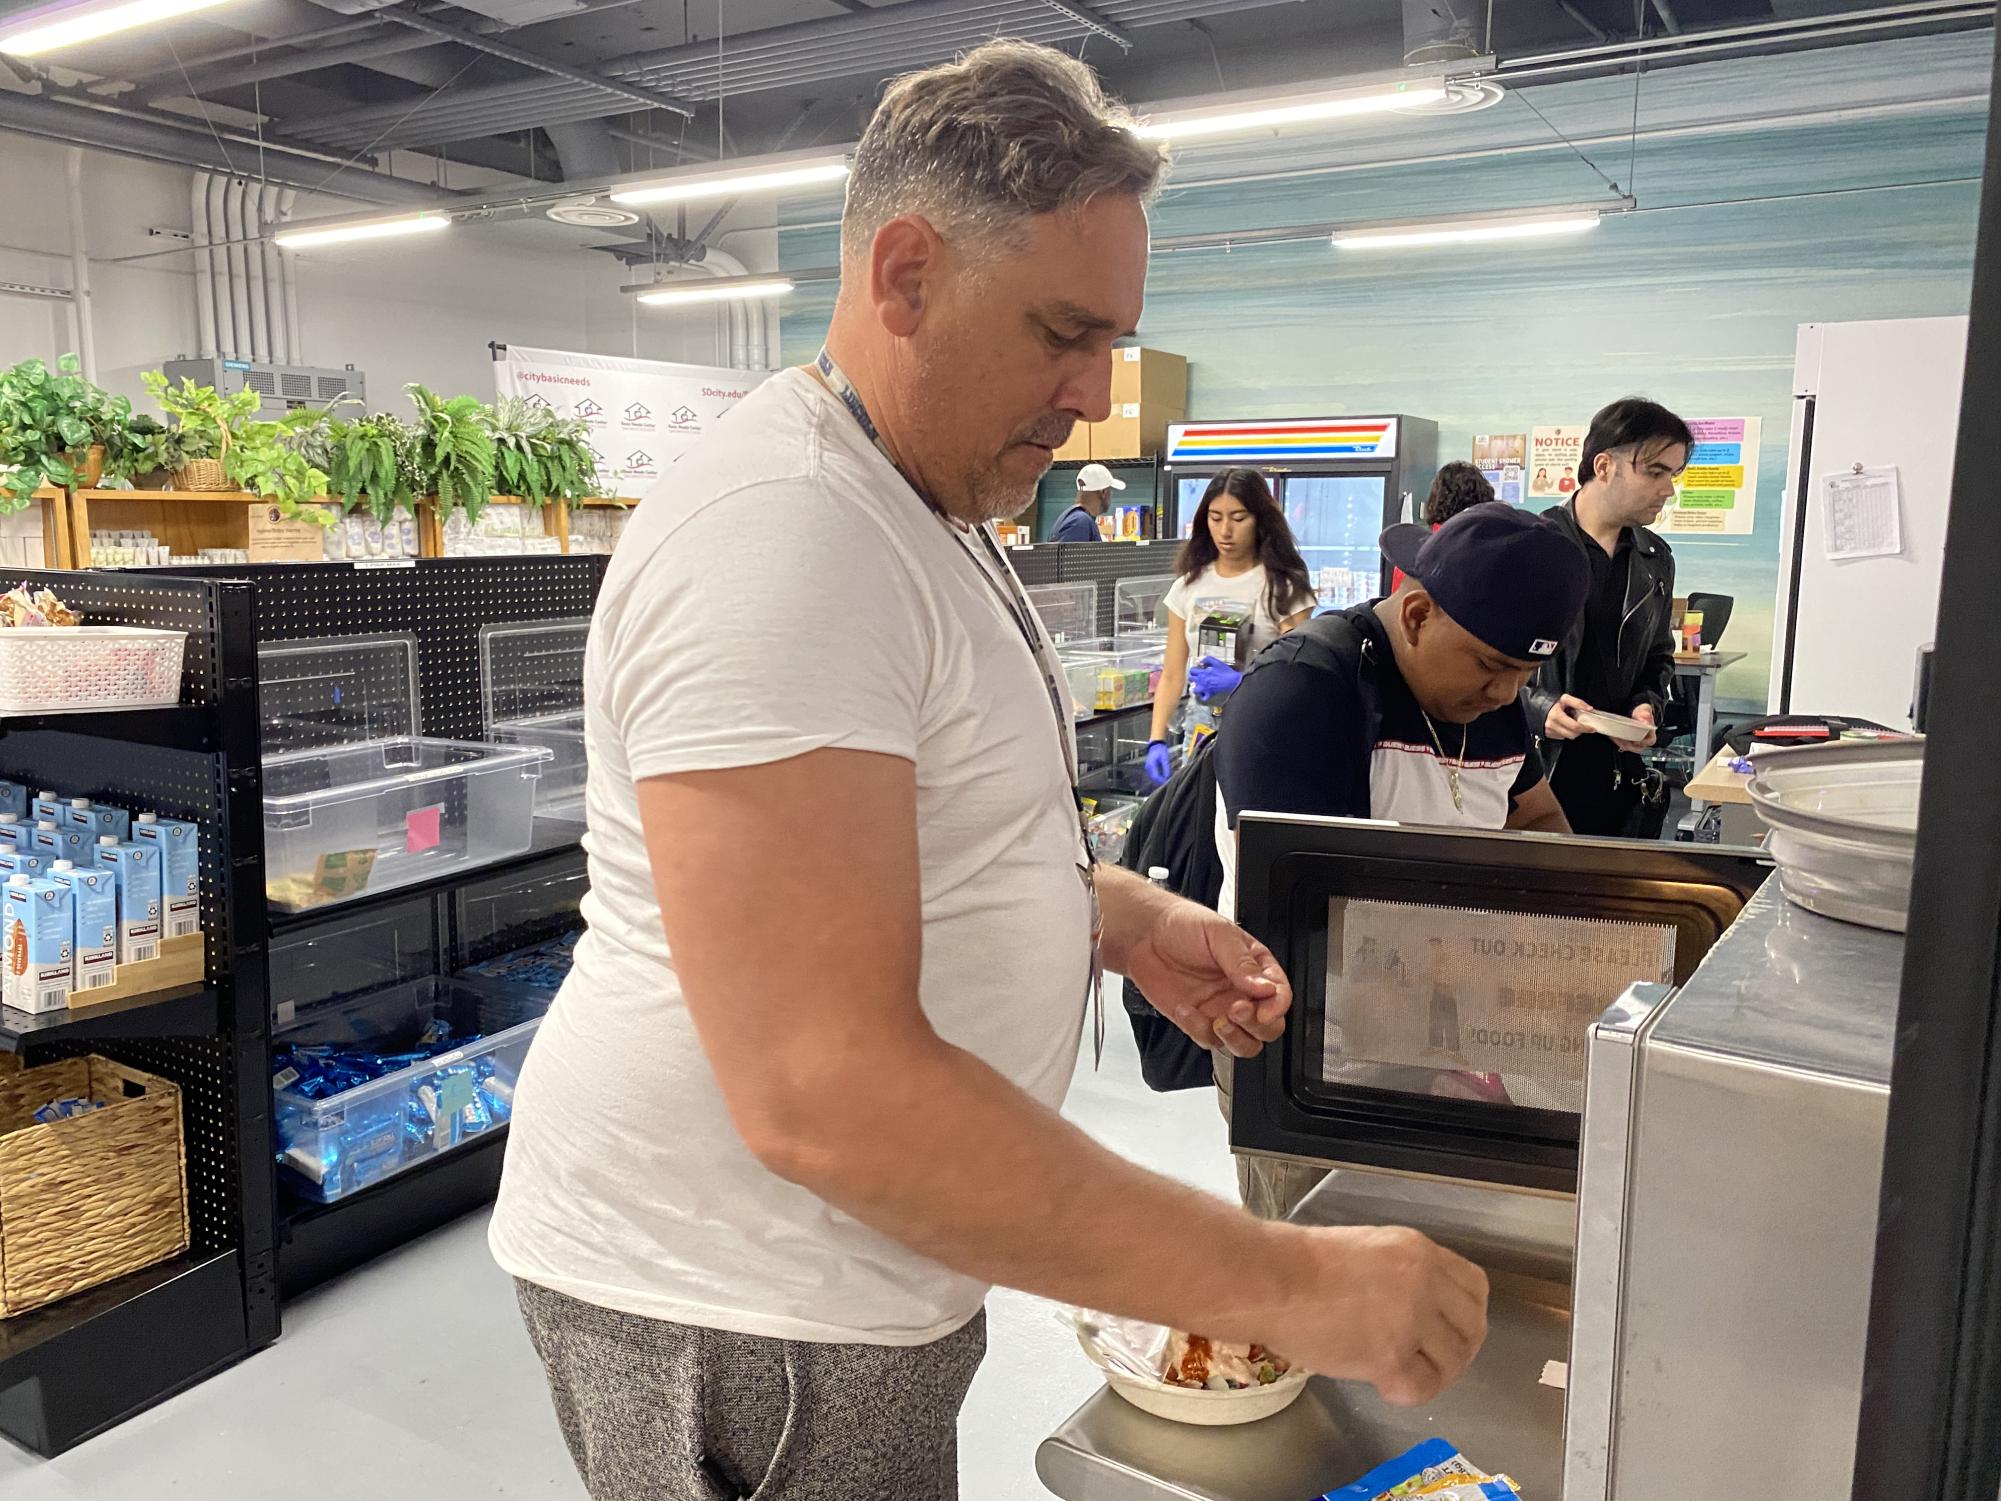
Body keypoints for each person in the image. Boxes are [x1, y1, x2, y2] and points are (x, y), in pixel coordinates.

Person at [490, 41, 1488, 1501]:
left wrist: (1125, 919)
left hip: (850, 1275)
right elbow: (823, 1092)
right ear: (904, 275)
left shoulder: (922, 500)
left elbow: (930, 834)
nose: (1095, 395)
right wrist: (1291, 1284)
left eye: (1113, 342)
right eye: (1061, 333)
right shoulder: (786, 539)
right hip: (739, 1298)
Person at [1210, 505, 1585, 1219]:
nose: (1505, 694)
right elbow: (1314, 915)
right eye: (1492, 667)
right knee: (1317, 1270)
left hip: (1453, 1035)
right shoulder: (1303, 693)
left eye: (1524, 672)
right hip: (1315, 1056)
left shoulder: (1489, 696)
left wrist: (1564, 936)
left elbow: (1532, 813)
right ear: (1415, 614)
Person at [1527, 397, 1691, 837]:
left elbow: (1659, 658)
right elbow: (1481, 659)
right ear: (1604, 466)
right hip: (1535, 771)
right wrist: (1538, 708)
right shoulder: (1534, 547)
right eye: (1655, 472)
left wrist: (1646, 706)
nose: (1668, 490)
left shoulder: (1655, 558)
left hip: (1619, 773)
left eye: (1673, 475)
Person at [1144, 468, 1316, 786]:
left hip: (1263, 725)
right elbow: (1172, 673)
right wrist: (1156, 739)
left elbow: (1298, 679)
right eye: (1215, 517)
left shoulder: (1285, 589)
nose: (1225, 531)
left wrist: (1244, 683)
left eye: (1238, 518)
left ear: (1260, 519)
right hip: (1200, 727)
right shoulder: (1188, 587)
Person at [1393, 462, 1498, 589]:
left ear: (1435, 501)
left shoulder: (1413, 555)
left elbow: (1399, 605)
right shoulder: (1496, 552)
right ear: (1485, 501)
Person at [1047, 461, 1124, 541]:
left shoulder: (1076, 518)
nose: (1111, 494)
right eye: (1110, 490)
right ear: (1103, 492)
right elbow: (1069, 553)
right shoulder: (1079, 522)